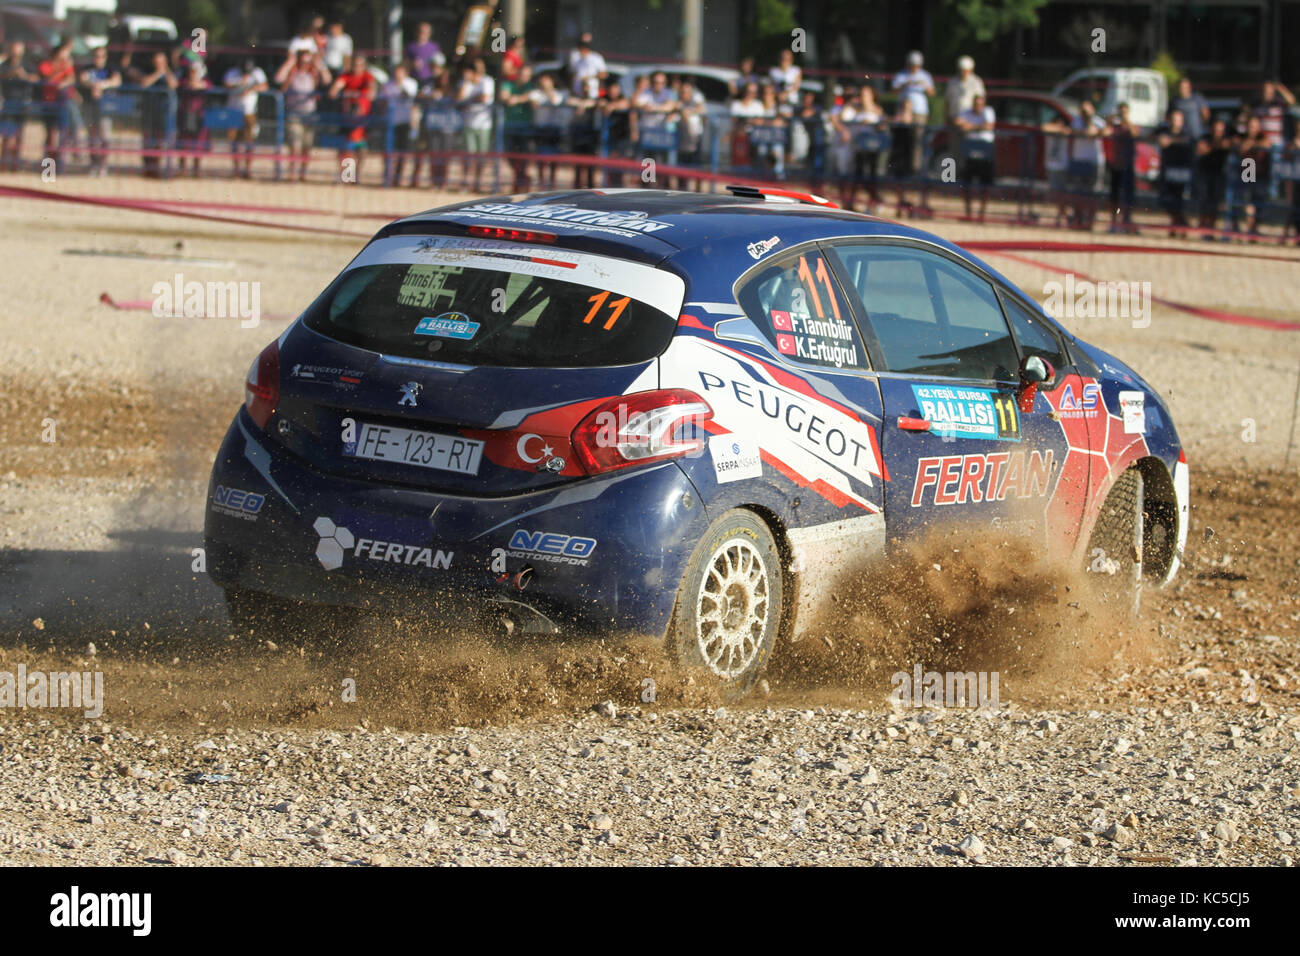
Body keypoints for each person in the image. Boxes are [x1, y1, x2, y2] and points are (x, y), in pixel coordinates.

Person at [277, 48, 330, 182]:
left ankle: (303, 174)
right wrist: (290, 62)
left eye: (307, 62)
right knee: (295, 145)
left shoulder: (313, 73)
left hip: (310, 114)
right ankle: (292, 173)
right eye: (302, 61)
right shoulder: (292, 72)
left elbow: (327, 79)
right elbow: (278, 78)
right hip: (294, 113)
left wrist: (319, 63)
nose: (305, 64)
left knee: (307, 146)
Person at [891, 51, 934, 212]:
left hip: (919, 114)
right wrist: (905, 84)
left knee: (916, 150)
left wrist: (924, 85)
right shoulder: (902, 76)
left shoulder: (925, 76)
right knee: (902, 155)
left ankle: (915, 170)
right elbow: (894, 90)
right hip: (904, 116)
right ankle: (904, 193)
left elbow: (932, 92)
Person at [831, 84, 885, 211]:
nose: (862, 96)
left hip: (872, 148)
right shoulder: (855, 109)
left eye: (866, 94)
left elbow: (882, 125)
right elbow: (841, 117)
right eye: (861, 94)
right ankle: (851, 203)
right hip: (859, 148)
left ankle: (873, 202)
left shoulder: (877, 110)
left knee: (871, 177)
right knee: (857, 176)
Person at [329, 54, 376, 181]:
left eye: (360, 65)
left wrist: (368, 92)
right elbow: (335, 89)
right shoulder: (346, 76)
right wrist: (337, 90)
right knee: (347, 150)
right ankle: (347, 177)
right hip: (347, 120)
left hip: (362, 121)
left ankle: (356, 176)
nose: (357, 68)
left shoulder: (367, 77)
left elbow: (372, 88)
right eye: (355, 65)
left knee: (362, 151)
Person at [222, 58, 267, 178]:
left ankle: (248, 169)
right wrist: (241, 83)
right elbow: (226, 84)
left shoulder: (257, 73)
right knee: (235, 141)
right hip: (234, 111)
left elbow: (264, 86)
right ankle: (236, 169)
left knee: (250, 141)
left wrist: (250, 89)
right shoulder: (233, 73)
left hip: (249, 112)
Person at [78, 45, 119, 176]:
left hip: (105, 108)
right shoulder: (88, 69)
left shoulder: (110, 68)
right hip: (90, 107)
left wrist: (101, 85)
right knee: (92, 137)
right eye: (96, 56)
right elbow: (82, 79)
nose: (99, 59)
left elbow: (117, 80)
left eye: (102, 56)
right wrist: (93, 85)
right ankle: (93, 164)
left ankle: (102, 165)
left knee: (104, 137)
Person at [37, 41, 77, 172]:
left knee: (63, 135)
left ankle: (58, 166)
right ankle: (49, 166)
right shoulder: (46, 65)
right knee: (51, 135)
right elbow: (48, 80)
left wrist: (64, 81)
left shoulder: (66, 66)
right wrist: (61, 70)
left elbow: (71, 78)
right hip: (49, 103)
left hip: (62, 103)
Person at [457, 58, 494, 191]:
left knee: (481, 156)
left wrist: (469, 101)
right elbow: (459, 99)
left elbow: (484, 97)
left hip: (483, 124)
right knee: (468, 155)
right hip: (468, 123)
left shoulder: (487, 81)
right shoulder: (465, 83)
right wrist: (467, 84)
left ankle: (478, 182)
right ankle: (466, 182)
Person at [136, 51, 176, 177]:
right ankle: (148, 167)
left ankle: (157, 167)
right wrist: (158, 73)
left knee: (160, 141)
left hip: (163, 112)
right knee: (148, 140)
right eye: (157, 62)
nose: (159, 64)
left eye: (162, 62)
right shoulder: (148, 71)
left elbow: (173, 84)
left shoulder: (169, 73)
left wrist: (166, 71)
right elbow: (144, 82)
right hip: (149, 111)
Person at [956, 92, 995, 221]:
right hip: (969, 149)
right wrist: (978, 127)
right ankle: (969, 213)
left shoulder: (988, 111)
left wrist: (971, 126)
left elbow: (989, 126)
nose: (978, 107)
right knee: (967, 183)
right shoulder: (966, 112)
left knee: (985, 184)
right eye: (976, 104)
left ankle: (981, 214)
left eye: (980, 104)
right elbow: (959, 124)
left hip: (985, 149)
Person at [378, 62, 417, 186]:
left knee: (402, 152)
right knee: (388, 151)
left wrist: (400, 86)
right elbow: (382, 102)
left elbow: (410, 98)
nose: (397, 74)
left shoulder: (411, 84)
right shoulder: (388, 85)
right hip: (390, 122)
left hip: (404, 122)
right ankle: (387, 176)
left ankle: (397, 178)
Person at [1156, 107, 1194, 234]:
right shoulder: (1164, 131)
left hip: (1182, 171)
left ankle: (1178, 225)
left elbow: (1187, 141)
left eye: (1178, 119)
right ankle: (1179, 223)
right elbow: (1155, 138)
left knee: (1178, 200)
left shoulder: (1187, 133)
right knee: (1165, 199)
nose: (1175, 122)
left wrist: (1170, 141)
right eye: (1173, 119)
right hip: (1168, 170)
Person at [1233, 115, 1272, 237]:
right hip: (1247, 171)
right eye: (1250, 126)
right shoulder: (1241, 136)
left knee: (1258, 201)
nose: (1252, 129)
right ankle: (1249, 228)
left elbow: (1267, 144)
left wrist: (1252, 144)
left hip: (1260, 173)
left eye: (1255, 126)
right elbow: (1238, 145)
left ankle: (1253, 228)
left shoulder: (1263, 137)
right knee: (1247, 201)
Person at [1195, 117, 1233, 237]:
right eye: (1216, 130)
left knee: (1215, 203)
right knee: (1204, 201)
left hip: (1219, 174)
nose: (1218, 133)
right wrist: (1216, 145)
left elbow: (1228, 144)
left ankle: (1210, 228)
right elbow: (1201, 149)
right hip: (1205, 173)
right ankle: (1203, 227)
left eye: (1220, 130)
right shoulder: (1204, 137)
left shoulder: (1227, 139)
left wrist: (1212, 146)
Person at [0, 41, 34, 171]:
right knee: (7, 134)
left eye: (18, 50)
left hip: (22, 103)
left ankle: (15, 164)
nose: (16, 53)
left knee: (19, 134)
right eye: (14, 50)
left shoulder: (27, 64)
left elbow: (36, 78)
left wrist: (23, 75)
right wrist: (11, 74)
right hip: (8, 102)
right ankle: (3, 163)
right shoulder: (5, 64)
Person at [1105, 101, 1139, 232]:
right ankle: (1113, 222)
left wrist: (1127, 121)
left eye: (1125, 112)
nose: (1122, 114)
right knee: (1114, 196)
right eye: (1121, 111)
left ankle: (1126, 222)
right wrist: (1109, 121)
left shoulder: (1130, 126)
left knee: (1128, 196)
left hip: (1128, 165)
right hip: (1115, 164)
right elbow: (1104, 132)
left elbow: (1135, 133)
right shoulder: (1114, 126)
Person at [175, 61, 210, 176]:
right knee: (183, 143)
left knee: (199, 144)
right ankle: (183, 169)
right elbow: (179, 84)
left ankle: (196, 169)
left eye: (194, 71)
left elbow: (204, 86)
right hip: (185, 115)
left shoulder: (205, 82)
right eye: (191, 71)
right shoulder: (184, 82)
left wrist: (196, 84)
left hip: (199, 116)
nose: (192, 73)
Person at [600, 80, 632, 186]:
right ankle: (609, 184)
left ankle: (619, 184)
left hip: (622, 134)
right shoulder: (604, 98)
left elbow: (626, 104)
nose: (613, 91)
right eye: (611, 88)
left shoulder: (623, 98)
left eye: (615, 88)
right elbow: (600, 104)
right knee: (609, 162)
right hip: (609, 136)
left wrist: (612, 106)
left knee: (620, 162)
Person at [1253, 80, 1295, 149]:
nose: (1268, 94)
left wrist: (1280, 87)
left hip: (1277, 144)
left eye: (1270, 91)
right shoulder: (1257, 107)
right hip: (1262, 143)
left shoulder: (1278, 105)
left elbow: (1291, 101)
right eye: (1266, 91)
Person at [567, 33, 606, 99]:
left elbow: (604, 74)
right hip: (578, 94)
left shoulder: (596, 58)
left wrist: (588, 78)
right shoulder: (577, 60)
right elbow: (573, 76)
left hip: (592, 94)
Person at [1170, 76, 1209, 141]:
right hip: (1181, 137)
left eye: (1185, 87)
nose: (1183, 89)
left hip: (1197, 135)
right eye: (1181, 87)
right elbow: (1170, 117)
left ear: (1189, 87)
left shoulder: (1197, 98)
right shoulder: (1175, 101)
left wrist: (1199, 125)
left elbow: (1205, 114)